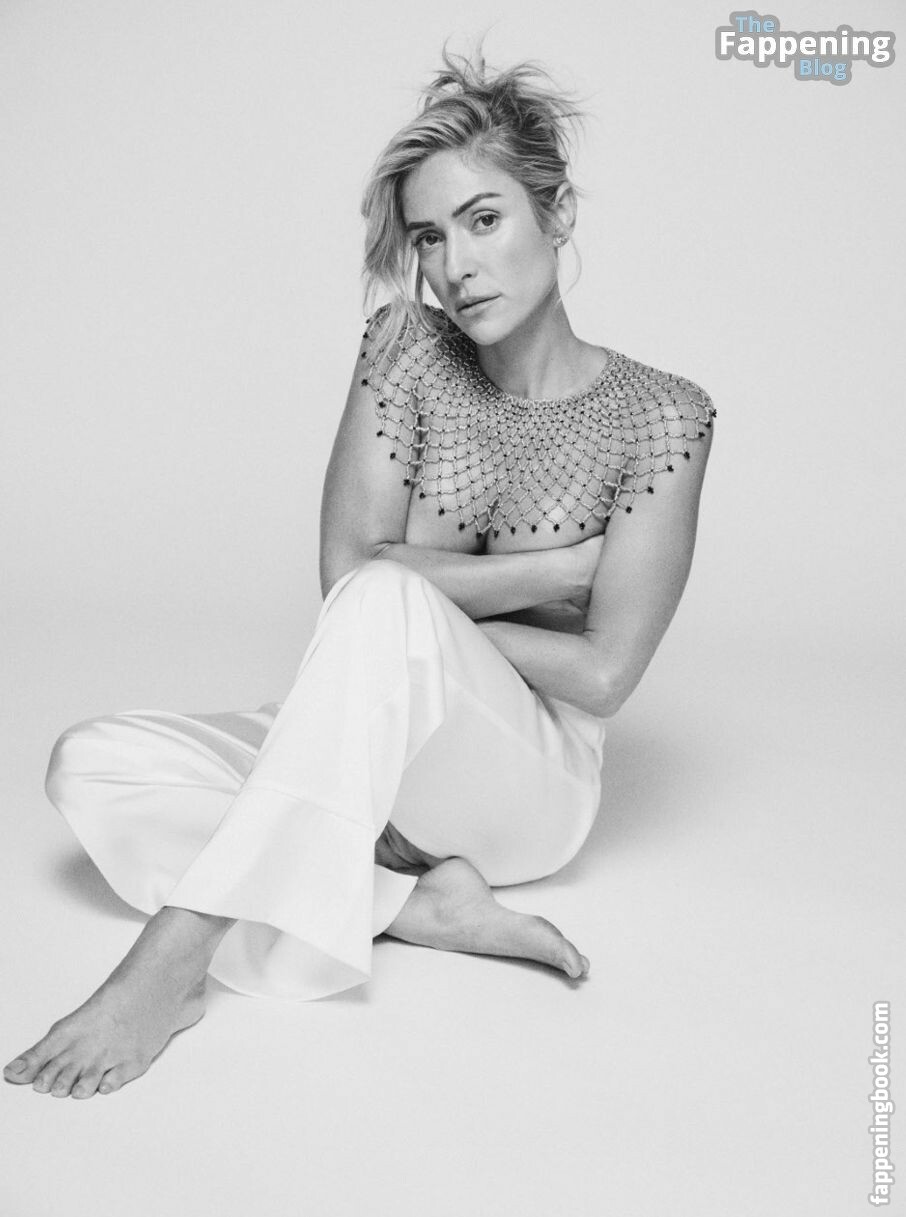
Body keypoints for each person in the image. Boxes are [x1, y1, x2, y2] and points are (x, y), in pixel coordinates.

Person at [4, 48, 715, 1100]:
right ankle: (413, 905)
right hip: (372, 736)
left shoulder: (662, 415)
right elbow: (347, 574)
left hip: (526, 784)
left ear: (557, 215)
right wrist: (561, 566)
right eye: (429, 236)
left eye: (484, 219)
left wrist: (415, 614)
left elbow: (606, 672)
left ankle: (175, 954)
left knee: (388, 601)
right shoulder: (406, 349)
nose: (456, 265)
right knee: (91, 764)